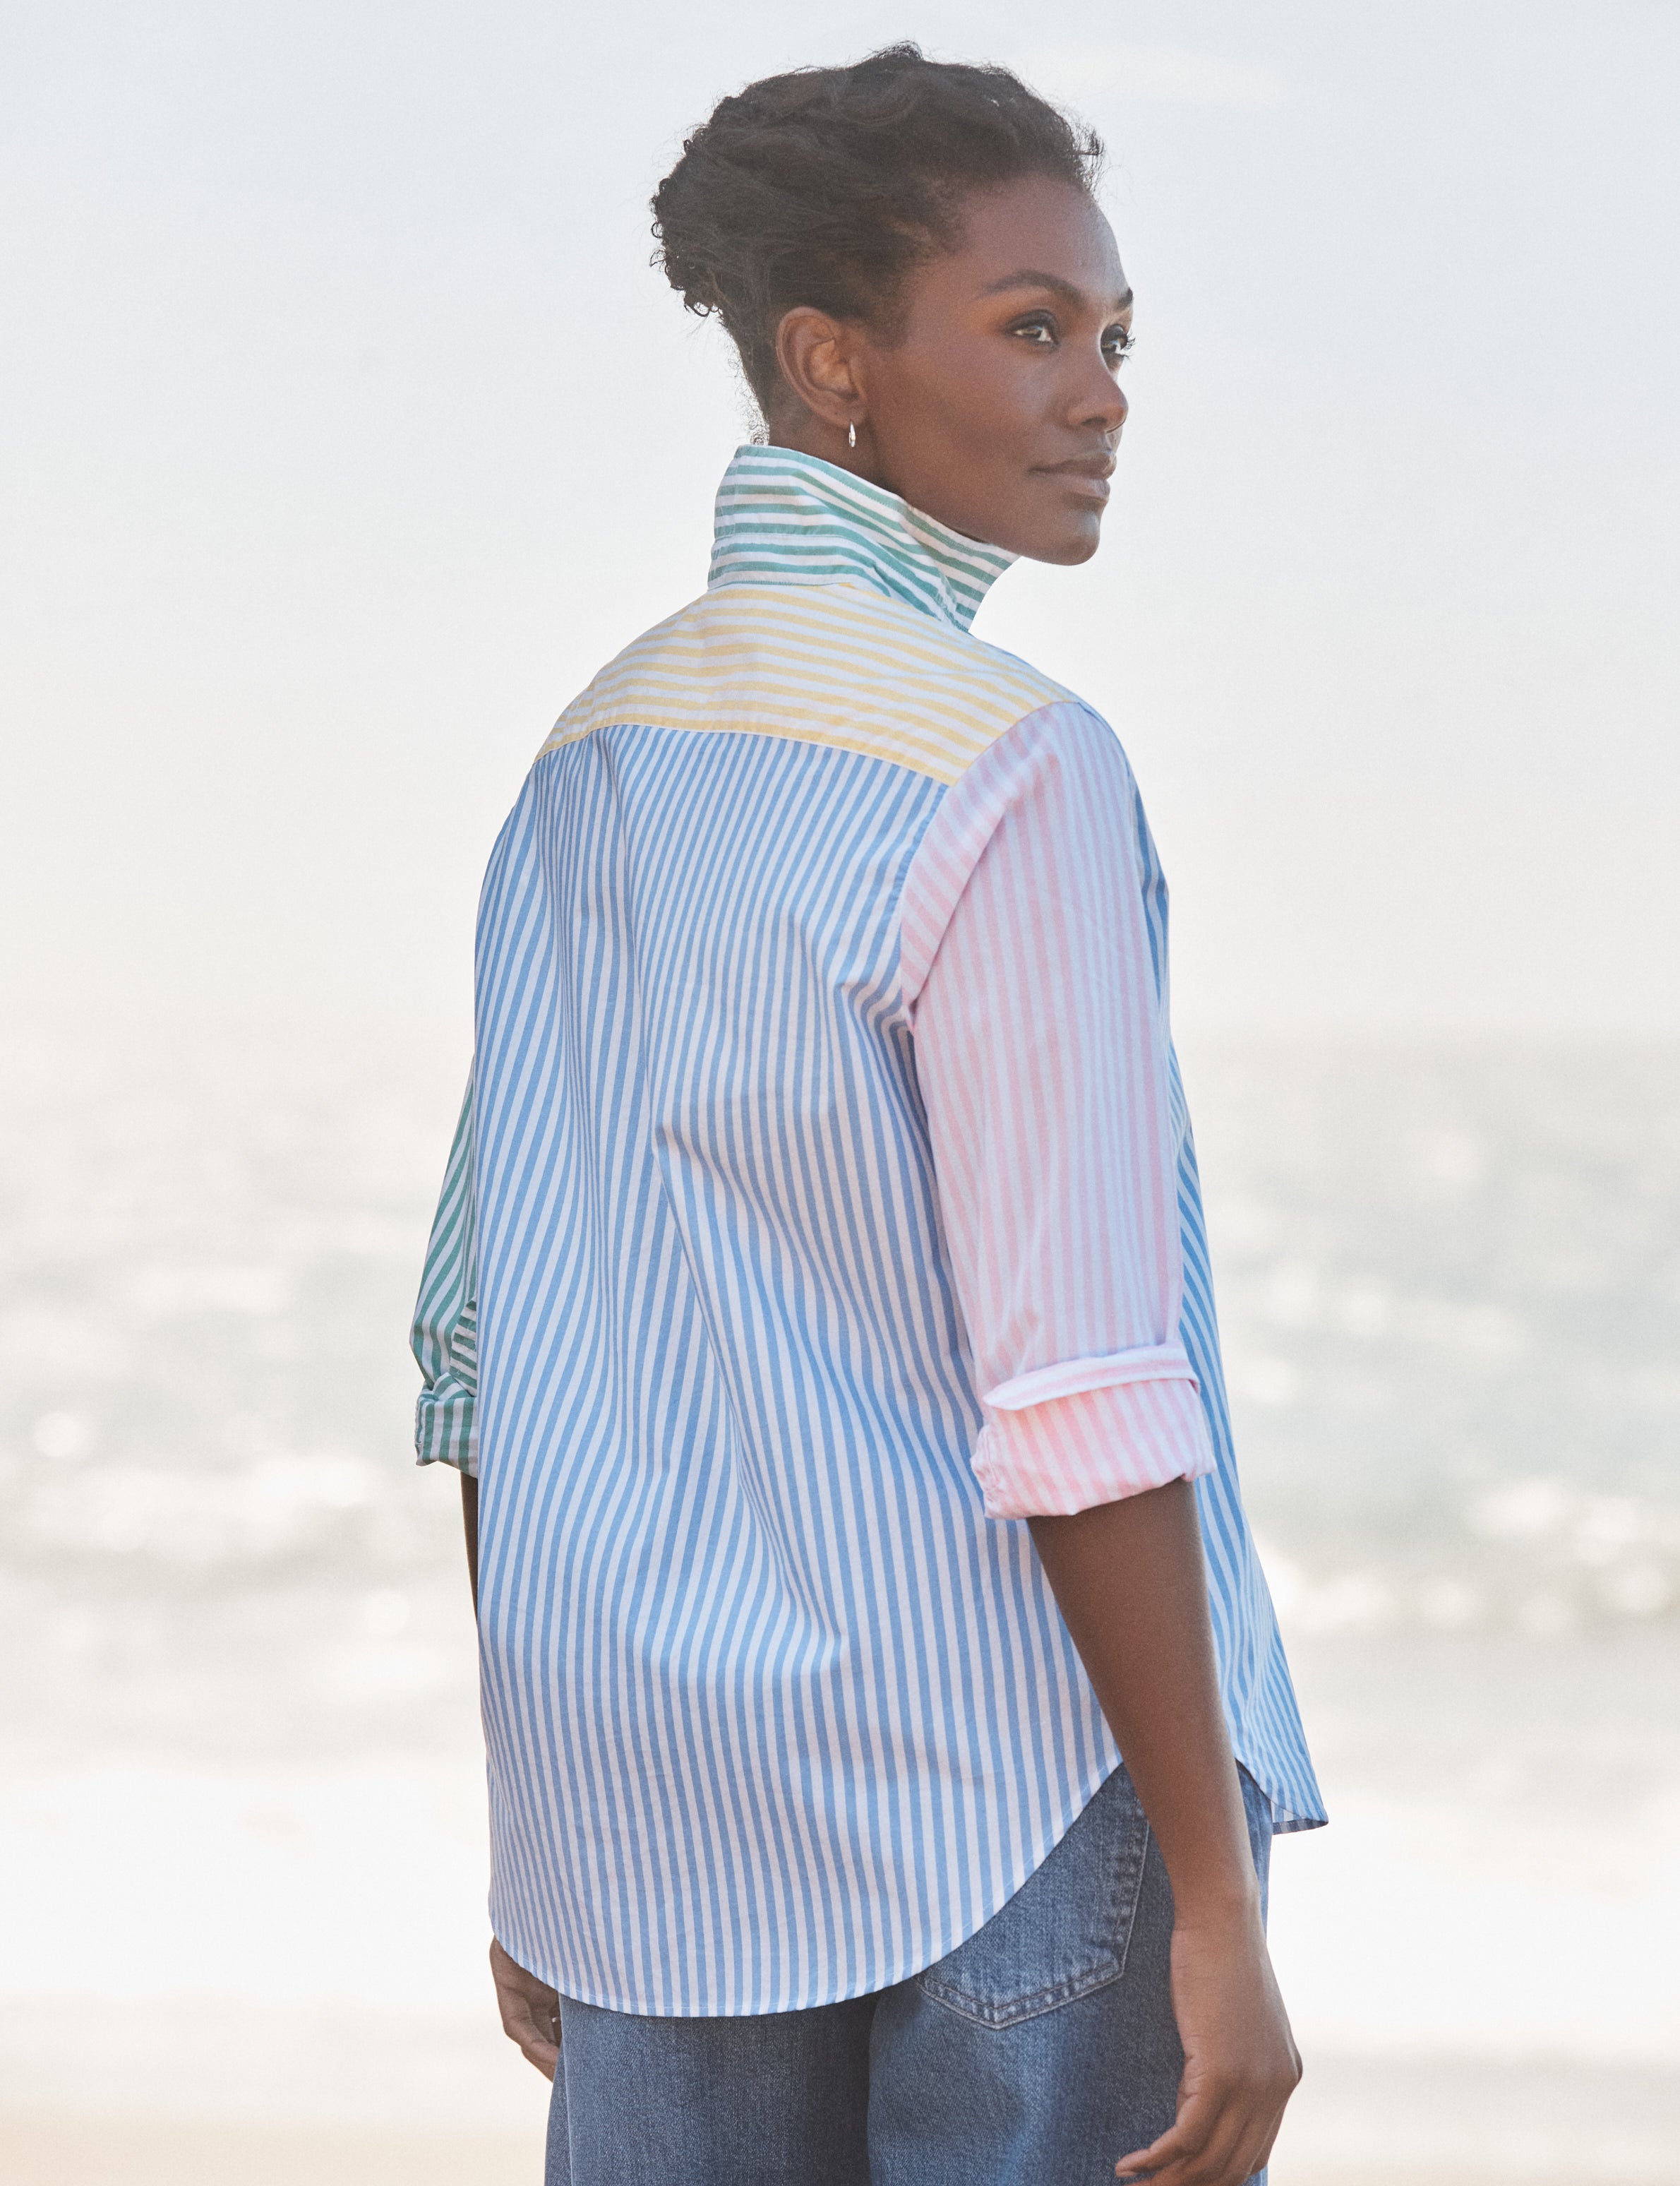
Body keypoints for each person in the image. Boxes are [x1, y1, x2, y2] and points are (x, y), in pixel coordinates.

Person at [411, 43, 1324, 2186]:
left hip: (657, 1816)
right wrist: (1206, 1899)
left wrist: (542, 1818)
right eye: (1029, 330)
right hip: (1023, 1809)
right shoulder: (1007, 765)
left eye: (1110, 337)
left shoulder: (588, 762)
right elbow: (1083, 1386)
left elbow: (483, 1351)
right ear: (829, 360)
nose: (1100, 392)